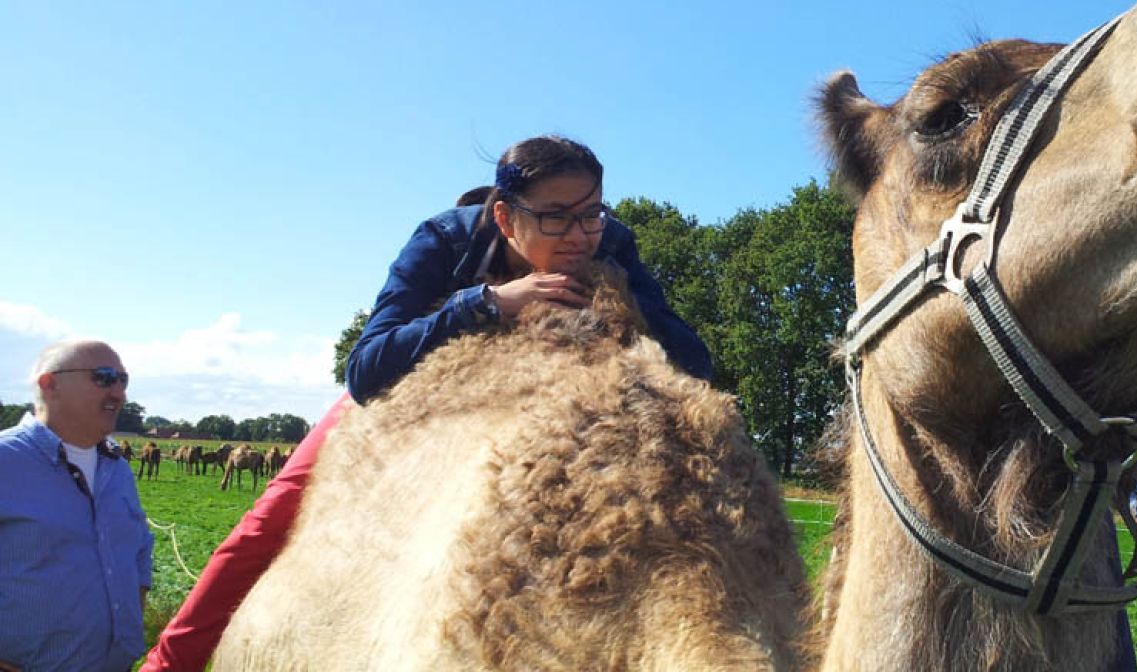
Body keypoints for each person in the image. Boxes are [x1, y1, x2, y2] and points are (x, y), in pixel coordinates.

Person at [143, 135, 713, 670]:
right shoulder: (443, 239)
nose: (579, 235)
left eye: (591, 214)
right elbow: (366, 371)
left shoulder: (611, 245)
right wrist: (486, 304)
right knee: (264, 526)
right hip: (420, 406)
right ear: (503, 217)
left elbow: (694, 363)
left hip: (548, 417)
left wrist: (622, 303)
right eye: (555, 217)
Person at [0, 340, 155, 672]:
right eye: (103, 377)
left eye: (122, 381)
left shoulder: (117, 468)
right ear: (49, 384)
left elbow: (140, 547)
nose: (119, 393)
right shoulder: (4, 461)